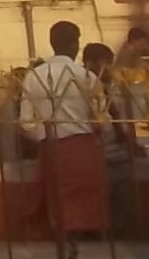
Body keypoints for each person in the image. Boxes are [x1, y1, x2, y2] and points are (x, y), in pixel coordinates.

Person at [16, 20, 106, 239]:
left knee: (58, 205)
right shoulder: (87, 77)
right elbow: (102, 119)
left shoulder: (34, 76)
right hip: (83, 146)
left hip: (52, 147)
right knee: (89, 205)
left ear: (52, 43)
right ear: (75, 45)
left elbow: (25, 122)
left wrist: (46, 136)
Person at [85, 41, 137, 238]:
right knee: (98, 204)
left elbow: (125, 118)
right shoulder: (84, 87)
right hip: (98, 154)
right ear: (90, 64)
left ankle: (121, 237)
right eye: (104, 63)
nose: (109, 69)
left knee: (123, 203)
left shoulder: (116, 88)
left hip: (121, 153)